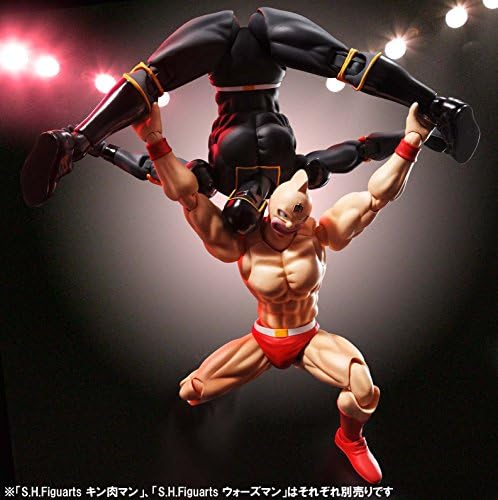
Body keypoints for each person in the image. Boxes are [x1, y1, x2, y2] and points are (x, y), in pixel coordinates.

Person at [131, 101, 433, 484]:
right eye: (280, 216)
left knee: (363, 390)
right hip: (264, 338)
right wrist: (155, 140)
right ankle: (193, 454)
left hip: (308, 337)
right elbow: (188, 198)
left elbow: (376, 198)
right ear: (269, 207)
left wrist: (411, 142)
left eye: (295, 217)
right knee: (191, 391)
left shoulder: (319, 234)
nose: (286, 224)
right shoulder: (242, 241)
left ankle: (350, 440)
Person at [22, 7, 478, 234]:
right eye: (254, 205)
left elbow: (150, 170)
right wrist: (421, 137)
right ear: (263, 212)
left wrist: (102, 148)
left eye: (238, 203)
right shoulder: (296, 177)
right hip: (269, 56)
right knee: (344, 61)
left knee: (152, 78)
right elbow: (363, 149)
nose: (248, 198)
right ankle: (438, 105)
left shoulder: (212, 180)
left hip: (220, 61)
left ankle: (73, 141)